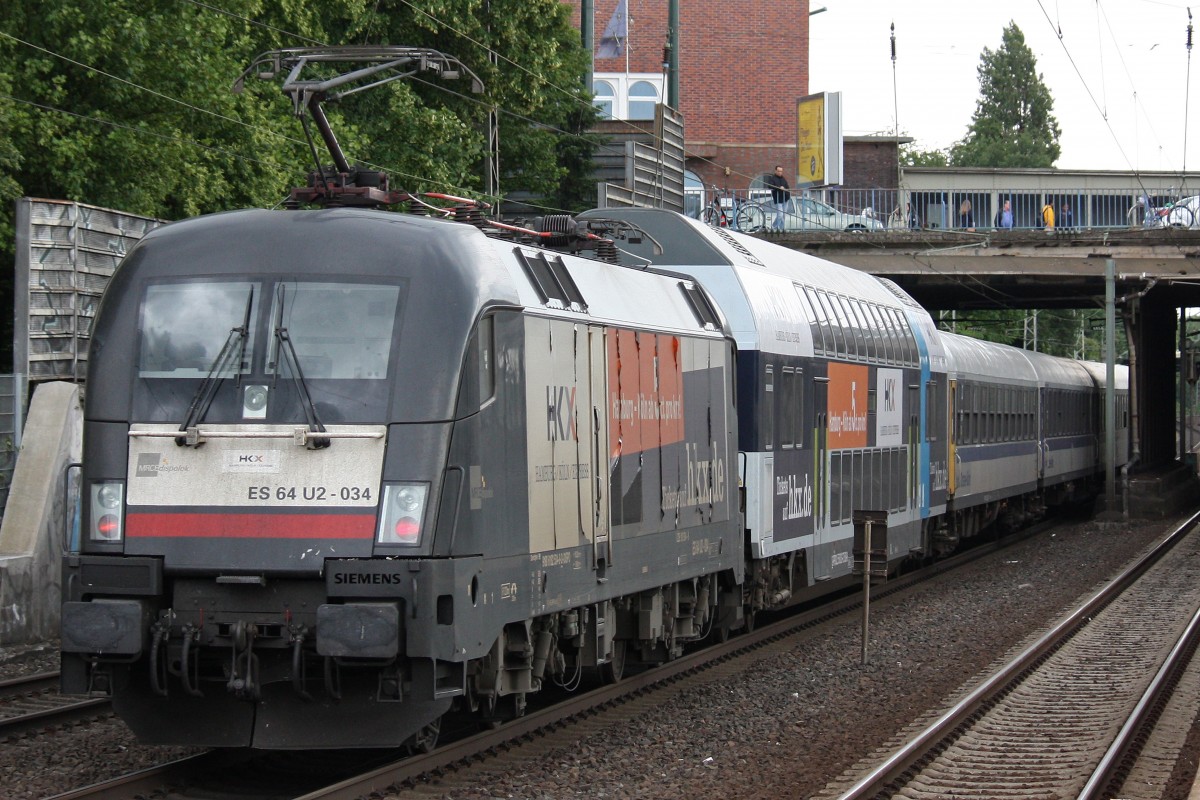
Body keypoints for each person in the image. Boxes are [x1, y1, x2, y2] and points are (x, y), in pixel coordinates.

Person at [764, 165, 791, 231]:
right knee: (780, 215)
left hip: (785, 198)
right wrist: (779, 187)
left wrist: (785, 189)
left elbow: (787, 187)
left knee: (783, 215)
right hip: (778, 199)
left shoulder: (783, 178)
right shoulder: (772, 179)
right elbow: (770, 186)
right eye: (778, 171)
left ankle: (781, 229)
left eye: (781, 171)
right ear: (775, 171)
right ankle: (773, 227)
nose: (780, 172)